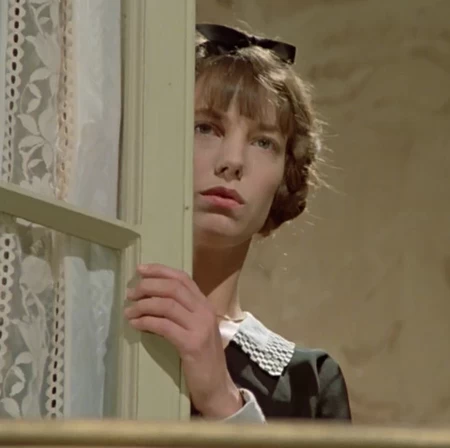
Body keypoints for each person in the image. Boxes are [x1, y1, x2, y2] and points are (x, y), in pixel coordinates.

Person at [124, 23, 351, 422]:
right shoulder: (84, 326)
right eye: (206, 128)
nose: (232, 161)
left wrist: (222, 401)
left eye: (263, 142)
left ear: (285, 179)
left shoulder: (309, 383)